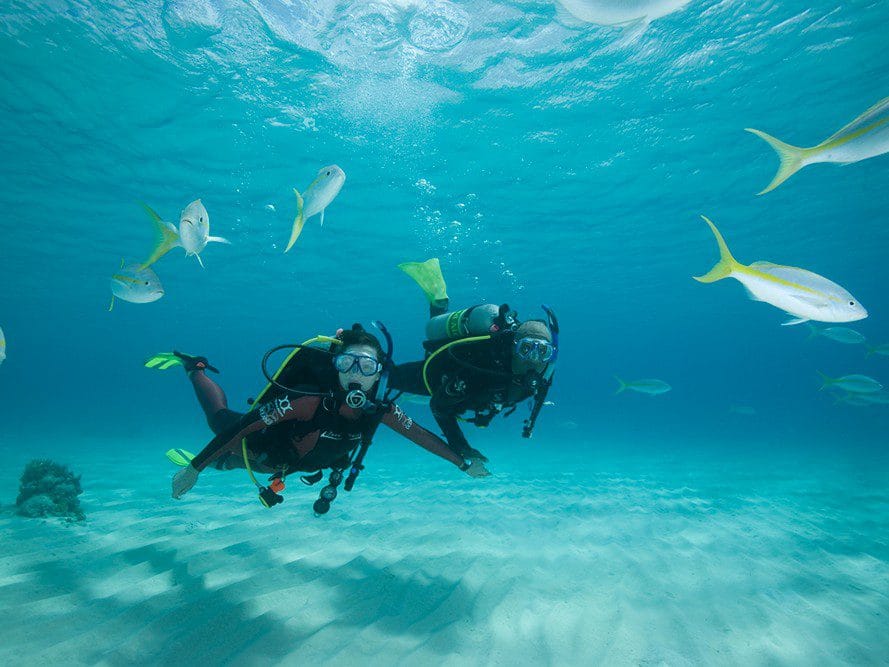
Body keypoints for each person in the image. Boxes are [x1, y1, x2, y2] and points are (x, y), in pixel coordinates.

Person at [146, 323, 489, 514]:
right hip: (262, 451)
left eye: (366, 367)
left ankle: (222, 462)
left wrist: (461, 463)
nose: (356, 374)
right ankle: (196, 369)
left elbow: (421, 436)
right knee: (220, 419)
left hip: (297, 465)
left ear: (379, 374)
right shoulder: (308, 401)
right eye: (348, 364)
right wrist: (195, 468)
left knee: (243, 462)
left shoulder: (382, 412)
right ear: (336, 367)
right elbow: (244, 426)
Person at [389, 259, 558, 467]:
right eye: (525, 349)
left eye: (542, 351)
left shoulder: (544, 375)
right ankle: (437, 300)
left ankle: (438, 305)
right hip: (438, 374)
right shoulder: (483, 370)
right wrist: (460, 446)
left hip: (476, 398)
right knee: (389, 375)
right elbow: (439, 406)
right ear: (513, 348)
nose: (533, 359)